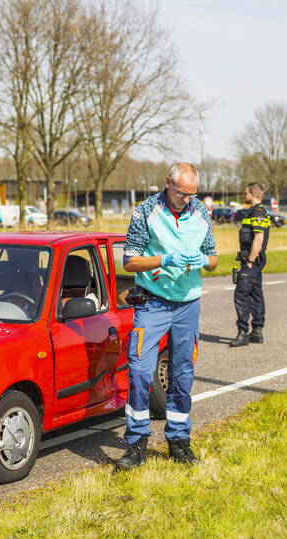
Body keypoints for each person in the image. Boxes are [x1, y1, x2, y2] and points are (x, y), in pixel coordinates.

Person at [115, 163, 218, 470]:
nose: (187, 199)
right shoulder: (145, 211)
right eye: (182, 193)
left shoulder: (200, 212)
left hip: (187, 305)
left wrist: (204, 260)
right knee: (139, 372)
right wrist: (164, 259)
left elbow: (213, 258)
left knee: (182, 374)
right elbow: (128, 262)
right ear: (168, 184)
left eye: (192, 194)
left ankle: (179, 441)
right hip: (153, 304)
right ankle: (136, 444)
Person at [229, 182, 271, 347]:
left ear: (252, 193)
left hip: (252, 260)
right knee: (255, 293)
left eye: (245, 192)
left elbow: (258, 238)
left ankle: (242, 333)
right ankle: (257, 331)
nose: (243, 195)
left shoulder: (258, 212)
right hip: (252, 259)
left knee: (241, 295)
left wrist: (250, 261)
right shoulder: (252, 212)